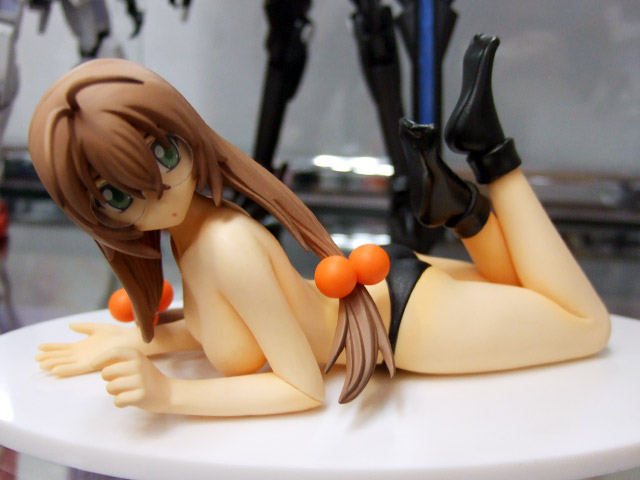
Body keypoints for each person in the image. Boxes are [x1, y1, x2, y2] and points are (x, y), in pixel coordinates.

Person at [31, 35, 610, 417]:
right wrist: (143, 339)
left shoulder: (226, 244)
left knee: (584, 324)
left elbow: (301, 388)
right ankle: (460, 211)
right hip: (380, 290)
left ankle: (493, 158)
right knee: (518, 289)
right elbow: (227, 327)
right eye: (115, 195)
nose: (156, 193)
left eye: (162, 155)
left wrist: (170, 395)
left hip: (406, 323)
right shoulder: (194, 236)